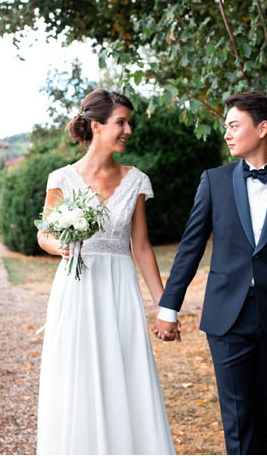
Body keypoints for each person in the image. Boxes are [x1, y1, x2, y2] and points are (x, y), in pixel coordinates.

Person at [151, 91, 267, 455]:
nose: (227, 134)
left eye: (234, 126)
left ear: (262, 128)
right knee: (237, 415)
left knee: (265, 413)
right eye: (226, 127)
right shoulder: (213, 181)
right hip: (227, 316)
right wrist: (168, 309)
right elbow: (190, 248)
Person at [36, 89, 175, 454]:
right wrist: (57, 245)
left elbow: (141, 247)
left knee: (125, 374)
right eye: (121, 122)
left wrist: (165, 306)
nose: (128, 129)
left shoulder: (136, 180)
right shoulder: (61, 178)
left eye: (129, 122)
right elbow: (44, 231)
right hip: (77, 287)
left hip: (119, 288)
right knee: (77, 374)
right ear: (96, 126)